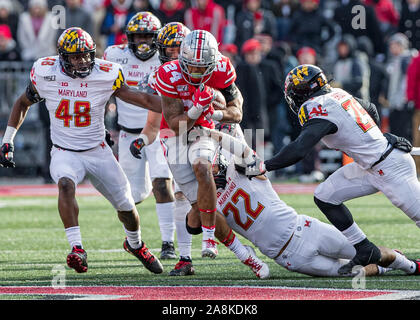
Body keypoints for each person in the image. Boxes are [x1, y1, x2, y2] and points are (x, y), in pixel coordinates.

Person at [0, 27, 164, 275]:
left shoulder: (106, 74)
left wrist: (178, 105)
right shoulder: (46, 72)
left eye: (86, 55)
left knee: (127, 207)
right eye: (76, 56)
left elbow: (139, 98)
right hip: (64, 151)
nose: (83, 61)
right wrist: (8, 140)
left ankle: (135, 245)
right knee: (65, 184)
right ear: (63, 57)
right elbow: (22, 102)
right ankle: (77, 248)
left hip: (98, 151)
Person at [248, 64, 420, 275]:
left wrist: (265, 165)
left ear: (301, 92)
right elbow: (372, 110)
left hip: (390, 167)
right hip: (369, 166)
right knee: (325, 195)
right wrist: (375, 137)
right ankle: (364, 248)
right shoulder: (338, 93)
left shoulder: (316, 106)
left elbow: (299, 148)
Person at [149, 29, 261, 261]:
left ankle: (252, 184)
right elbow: (176, 126)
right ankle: (189, 253)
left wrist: (214, 114)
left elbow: (236, 113)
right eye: (191, 66)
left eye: (202, 68)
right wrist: (197, 108)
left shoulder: (221, 68)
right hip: (181, 132)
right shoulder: (167, 73)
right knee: (194, 206)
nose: (196, 73)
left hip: (214, 128)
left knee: (244, 171)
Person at [214, 153, 420, 277]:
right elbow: (196, 225)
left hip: (304, 229)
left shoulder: (240, 168)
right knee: (352, 273)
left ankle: (410, 266)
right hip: (288, 257)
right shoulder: (209, 203)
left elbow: (255, 163)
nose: (209, 174)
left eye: (211, 168)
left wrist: (234, 160)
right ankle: (388, 266)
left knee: (365, 251)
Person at [104, 12, 178, 261]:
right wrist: (101, 124)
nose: (144, 41)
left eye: (149, 35)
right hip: (127, 133)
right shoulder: (116, 56)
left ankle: (168, 242)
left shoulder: (166, 59)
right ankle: (134, 240)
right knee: (131, 196)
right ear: (129, 37)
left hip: (159, 132)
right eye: (139, 35)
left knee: (162, 183)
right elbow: (103, 92)